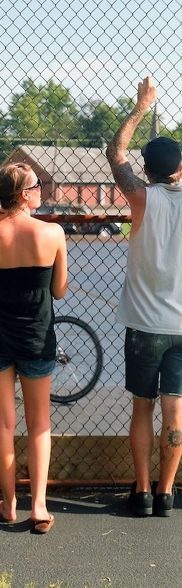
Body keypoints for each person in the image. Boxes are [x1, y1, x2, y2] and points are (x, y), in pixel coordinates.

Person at [0, 162, 67, 533]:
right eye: (37, 185)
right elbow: (58, 291)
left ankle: (8, 503)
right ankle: (39, 506)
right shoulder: (53, 232)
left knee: (3, 422)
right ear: (25, 194)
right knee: (39, 422)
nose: (42, 189)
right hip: (36, 336)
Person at [106, 76, 182, 517]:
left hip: (145, 325)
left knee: (142, 408)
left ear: (147, 169)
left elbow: (116, 154)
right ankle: (167, 491)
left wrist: (140, 107)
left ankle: (141, 490)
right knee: (175, 409)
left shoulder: (141, 198)